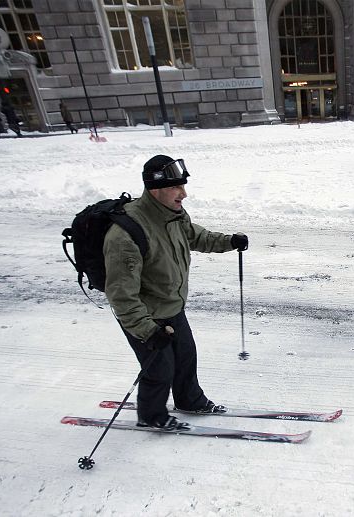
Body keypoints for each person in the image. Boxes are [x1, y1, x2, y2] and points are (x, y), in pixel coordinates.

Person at [103, 155, 249, 431]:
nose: (184, 194)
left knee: (185, 355)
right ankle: (151, 415)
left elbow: (196, 236)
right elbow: (121, 296)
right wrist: (147, 330)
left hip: (171, 306)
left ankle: (189, 400)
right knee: (159, 368)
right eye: (177, 188)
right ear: (155, 189)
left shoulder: (172, 215)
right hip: (143, 315)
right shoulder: (126, 234)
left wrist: (229, 241)